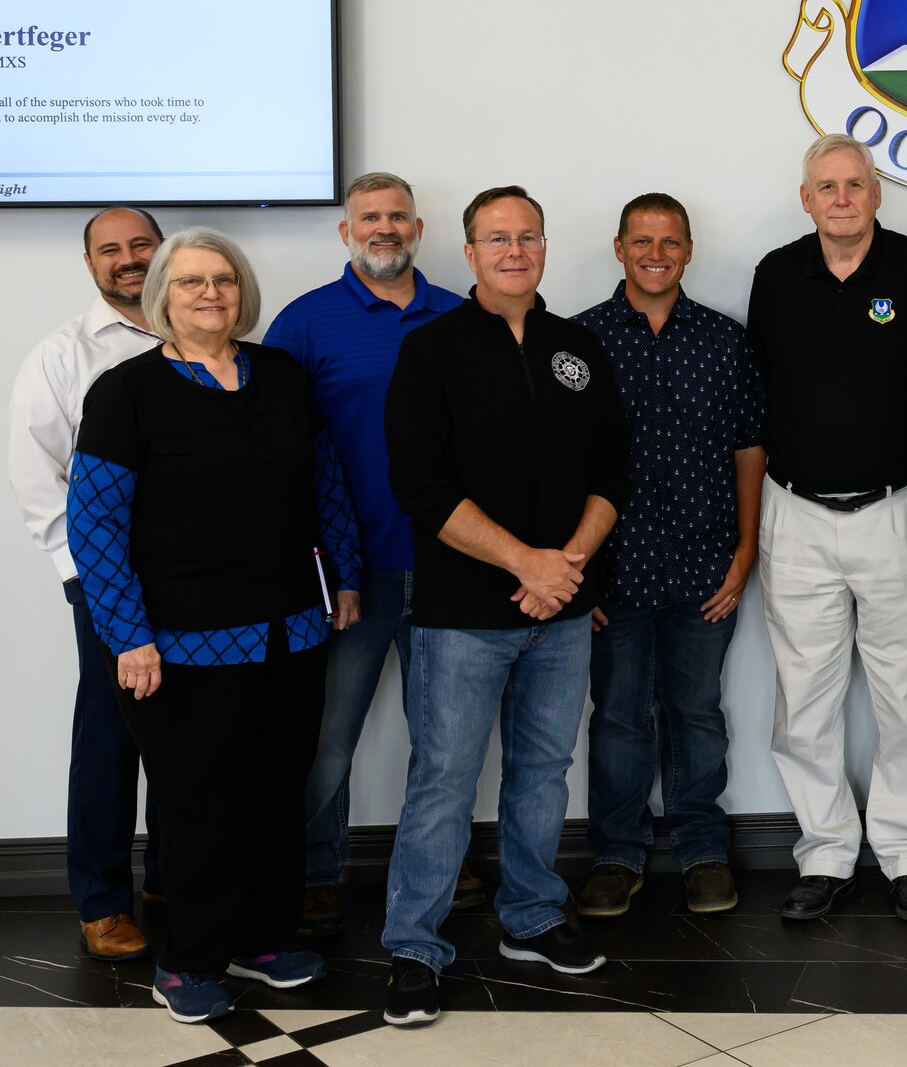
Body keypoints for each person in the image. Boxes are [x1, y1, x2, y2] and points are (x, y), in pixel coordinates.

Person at [69, 228, 363, 1024]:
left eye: (224, 280)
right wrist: (127, 634)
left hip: (291, 632)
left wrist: (346, 576)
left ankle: (263, 940)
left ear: (242, 292)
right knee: (204, 804)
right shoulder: (126, 393)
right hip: (179, 644)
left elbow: (325, 482)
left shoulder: (279, 374)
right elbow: (93, 523)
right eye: (192, 281)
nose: (210, 293)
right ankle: (192, 958)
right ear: (163, 292)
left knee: (276, 791)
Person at [379, 187, 629, 1027]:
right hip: (460, 616)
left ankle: (532, 916)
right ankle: (414, 946)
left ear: (545, 247)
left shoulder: (579, 349)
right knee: (443, 780)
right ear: (470, 250)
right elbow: (419, 484)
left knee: (543, 773)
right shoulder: (432, 351)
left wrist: (565, 571)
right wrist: (526, 560)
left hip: (561, 613)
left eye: (528, 236)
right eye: (497, 237)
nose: (514, 249)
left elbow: (611, 474)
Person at [263, 173, 480, 939]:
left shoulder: (461, 314)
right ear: (345, 232)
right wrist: (324, 565)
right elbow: (279, 453)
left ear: (417, 226)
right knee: (327, 737)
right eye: (369, 218)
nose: (383, 228)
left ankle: (442, 863)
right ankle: (317, 869)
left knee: (447, 737)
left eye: (396, 217)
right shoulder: (305, 323)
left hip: (452, 568)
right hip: (346, 576)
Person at [747, 135, 907, 922]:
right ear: (806, 199)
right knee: (805, 696)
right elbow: (760, 389)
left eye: (855, 185)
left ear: (877, 194)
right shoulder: (776, 274)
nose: (840, 198)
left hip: (901, 506)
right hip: (796, 511)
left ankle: (906, 853)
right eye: (826, 186)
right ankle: (826, 851)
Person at [573, 193, 765, 920]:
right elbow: (562, 462)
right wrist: (575, 569)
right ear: (619, 247)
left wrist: (746, 552)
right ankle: (617, 856)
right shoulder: (579, 342)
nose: (657, 252)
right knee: (619, 716)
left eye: (671, 241)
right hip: (613, 571)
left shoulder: (725, 341)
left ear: (689, 250)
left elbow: (750, 450)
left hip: (704, 565)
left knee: (697, 714)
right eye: (643, 240)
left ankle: (702, 850)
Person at [8, 208, 165, 965]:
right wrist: (84, 579)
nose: (129, 259)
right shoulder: (63, 354)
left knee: (193, 731)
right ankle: (102, 902)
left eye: (141, 245)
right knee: (111, 734)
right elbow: (38, 479)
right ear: (89, 262)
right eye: (112, 249)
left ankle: (172, 877)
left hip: (206, 580)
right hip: (109, 580)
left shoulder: (207, 329)